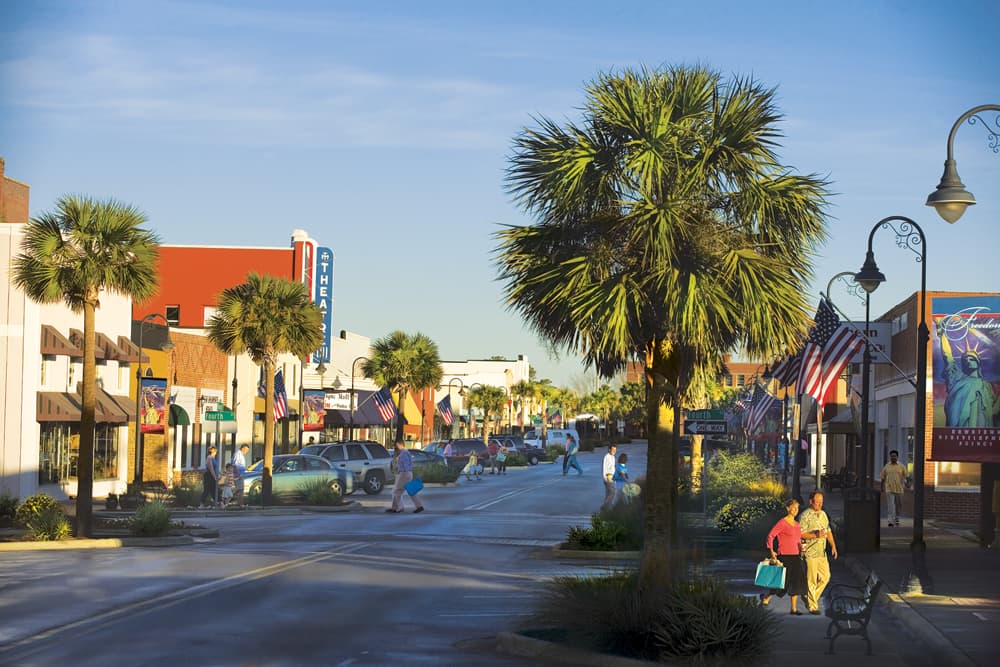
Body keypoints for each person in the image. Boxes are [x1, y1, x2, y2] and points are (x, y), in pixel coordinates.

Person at [940, 327, 998, 427]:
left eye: (971, 359)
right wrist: (942, 335)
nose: (968, 361)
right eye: (965, 360)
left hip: (983, 427)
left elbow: (993, 408)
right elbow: (948, 357)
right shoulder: (958, 378)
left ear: (978, 363)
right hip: (962, 427)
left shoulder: (987, 386)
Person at [759, 498, 807, 614]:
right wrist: (771, 551)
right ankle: (766, 598)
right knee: (781, 582)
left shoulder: (797, 524)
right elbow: (771, 536)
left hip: (796, 556)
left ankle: (793, 608)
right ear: (788, 508)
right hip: (784, 556)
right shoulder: (782, 522)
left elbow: (798, 540)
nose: (796, 510)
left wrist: (801, 547)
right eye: (793, 508)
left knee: (796, 582)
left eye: (797, 508)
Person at [799, 491, 838, 615]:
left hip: (822, 552)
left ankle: (810, 597)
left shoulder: (823, 514)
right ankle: (812, 606)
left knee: (826, 577)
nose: (820, 504)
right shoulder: (805, 516)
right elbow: (800, 534)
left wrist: (833, 546)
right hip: (810, 552)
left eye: (822, 502)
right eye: (817, 502)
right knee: (812, 580)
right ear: (811, 501)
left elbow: (828, 531)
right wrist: (815, 535)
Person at [387, 440, 424, 514]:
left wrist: (407, 473)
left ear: (401, 444)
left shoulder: (403, 453)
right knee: (411, 490)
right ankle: (419, 506)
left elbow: (406, 464)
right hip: (407, 473)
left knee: (397, 491)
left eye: (398, 445)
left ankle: (395, 508)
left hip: (404, 474)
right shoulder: (406, 452)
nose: (397, 447)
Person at [880, 450, 908, 527]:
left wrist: (908, 484)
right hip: (889, 489)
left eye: (894, 456)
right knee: (891, 505)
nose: (893, 457)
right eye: (892, 456)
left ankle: (897, 518)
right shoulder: (887, 466)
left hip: (899, 489)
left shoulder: (901, 466)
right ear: (890, 457)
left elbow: (906, 476)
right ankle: (890, 521)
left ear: (897, 457)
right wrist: (882, 487)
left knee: (898, 505)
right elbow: (882, 477)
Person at [601, 444, 617, 509]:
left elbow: (613, 467)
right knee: (613, 492)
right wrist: (606, 478)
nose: (614, 451)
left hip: (612, 477)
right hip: (608, 477)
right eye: (613, 450)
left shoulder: (613, 457)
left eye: (615, 450)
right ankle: (605, 506)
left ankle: (606, 508)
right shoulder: (607, 457)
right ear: (609, 449)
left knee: (608, 494)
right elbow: (605, 468)